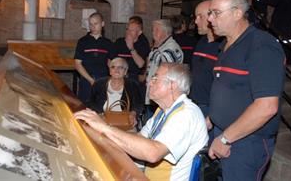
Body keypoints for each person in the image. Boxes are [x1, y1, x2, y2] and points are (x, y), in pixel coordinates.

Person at [74, 63, 208, 181]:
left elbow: (152, 153)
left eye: (155, 79)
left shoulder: (185, 114)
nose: (150, 82)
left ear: (172, 85)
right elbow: (138, 138)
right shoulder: (163, 110)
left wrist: (105, 128)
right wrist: (101, 136)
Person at [206, 0, 285, 181]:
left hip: (245, 142)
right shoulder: (226, 45)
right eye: (210, 12)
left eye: (216, 13)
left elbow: (266, 106)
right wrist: (211, 118)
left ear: (237, 13)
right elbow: (230, 89)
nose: (210, 18)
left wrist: (225, 138)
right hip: (221, 133)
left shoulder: (261, 45)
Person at [87, 57, 144, 129]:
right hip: (102, 121)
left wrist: (133, 113)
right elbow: (91, 102)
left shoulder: (133, 85)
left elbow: (139, 104)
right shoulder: (99, 83)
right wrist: (100, 113)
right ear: (110, 71)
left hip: (125, 123)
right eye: (113, 67)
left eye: (120, 67)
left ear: (125, 71)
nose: (116, 70)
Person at [145, 19, 183, 117]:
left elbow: (165, 68)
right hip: (156, 95)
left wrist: (155, 49)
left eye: (156, 30)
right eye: (153, 30)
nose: (153, 33)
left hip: (164, 97)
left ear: (164, 32)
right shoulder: (160, 47)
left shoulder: (172, 48)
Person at [189, 0, 221, 118]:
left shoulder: (223, 46)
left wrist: (214, 114)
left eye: (200, 16)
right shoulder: (200, 42)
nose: (196, 21)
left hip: (210, 109)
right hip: (194, 104)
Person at [74, 13, 114, 103]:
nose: (93, 27)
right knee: (84, 108)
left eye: (96, 24)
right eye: (91, 24)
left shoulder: (108, 43)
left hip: (103, 81)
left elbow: (111, 64)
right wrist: (90, 80)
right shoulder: (82, 41)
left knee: (101, 108)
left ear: (102, 24)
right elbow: (77, 64)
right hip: (86, 80)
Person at [113, 16, 151, 81]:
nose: (128, 32)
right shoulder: (119, 42)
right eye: (127, 29)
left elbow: (140, 64)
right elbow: (111, 60)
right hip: (119, 77)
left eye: (132, 30)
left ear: (139, 32)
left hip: (134, 78)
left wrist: (131, 48)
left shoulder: (142, 44)